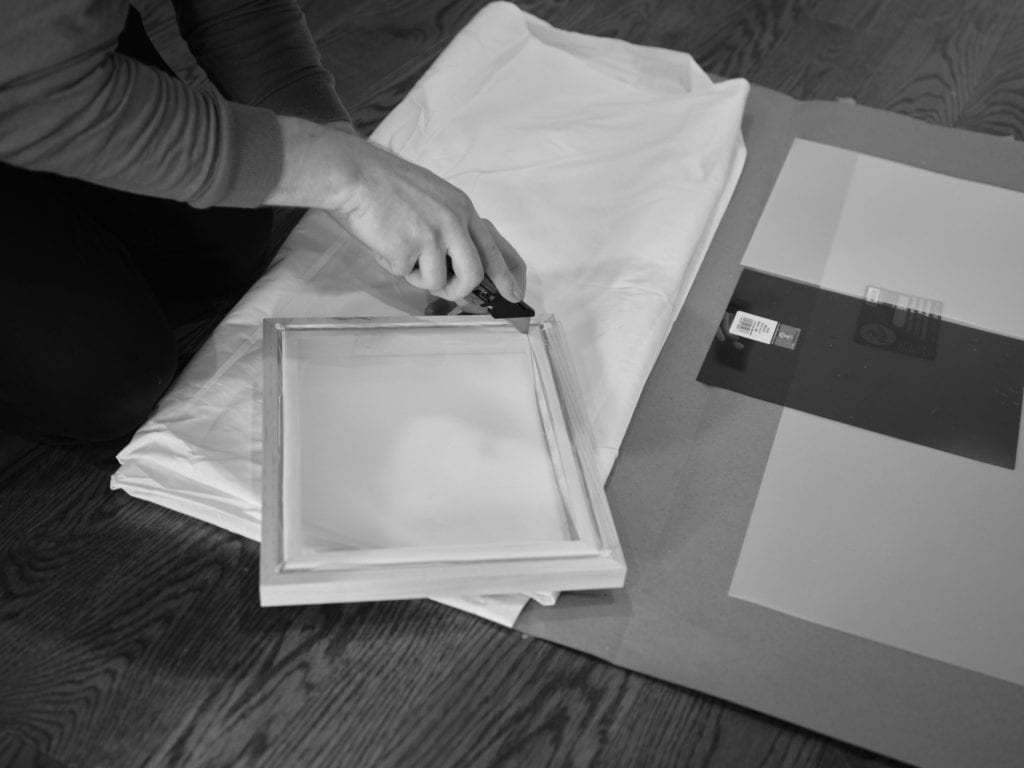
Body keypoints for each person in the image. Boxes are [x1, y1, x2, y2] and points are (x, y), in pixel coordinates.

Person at [0, 0, 526, 443]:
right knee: (99, 380)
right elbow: (34, 96)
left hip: (52, 51)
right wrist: (349, 179)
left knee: (220, 248)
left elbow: (241, 9)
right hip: (27, 73)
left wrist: (337, 150)